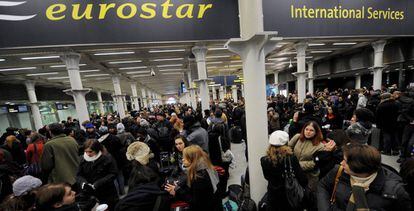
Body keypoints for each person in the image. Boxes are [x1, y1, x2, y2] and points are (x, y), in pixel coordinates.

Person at [317, 144, 412, 211]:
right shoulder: (339, 171)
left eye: (345, 161)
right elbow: (323, 186)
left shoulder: (395, 191)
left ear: (358, 167)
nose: (341, 163)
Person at [165, 145, 222, 211]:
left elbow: (194, 202)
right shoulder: (205, 167)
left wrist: (177, 190)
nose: (183, 160)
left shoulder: (199, 177)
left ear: (192, 159)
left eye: (185, 158)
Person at [261, 130, 308, 211]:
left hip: (273, 196)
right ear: (286, 143)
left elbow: (267, 177)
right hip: (289, 197)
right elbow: (303, 179)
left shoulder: (264, 160)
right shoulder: (291, 158)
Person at [77, 140, 119, 210]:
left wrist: (97, 183)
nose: (87, 154)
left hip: (107, 192)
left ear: (97, 150)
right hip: (90, 194)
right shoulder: (82, 159)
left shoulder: (107, 158)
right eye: (86, 151)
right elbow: (79, 175)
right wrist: (83, 183)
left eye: (90, 152)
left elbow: (113, 173)